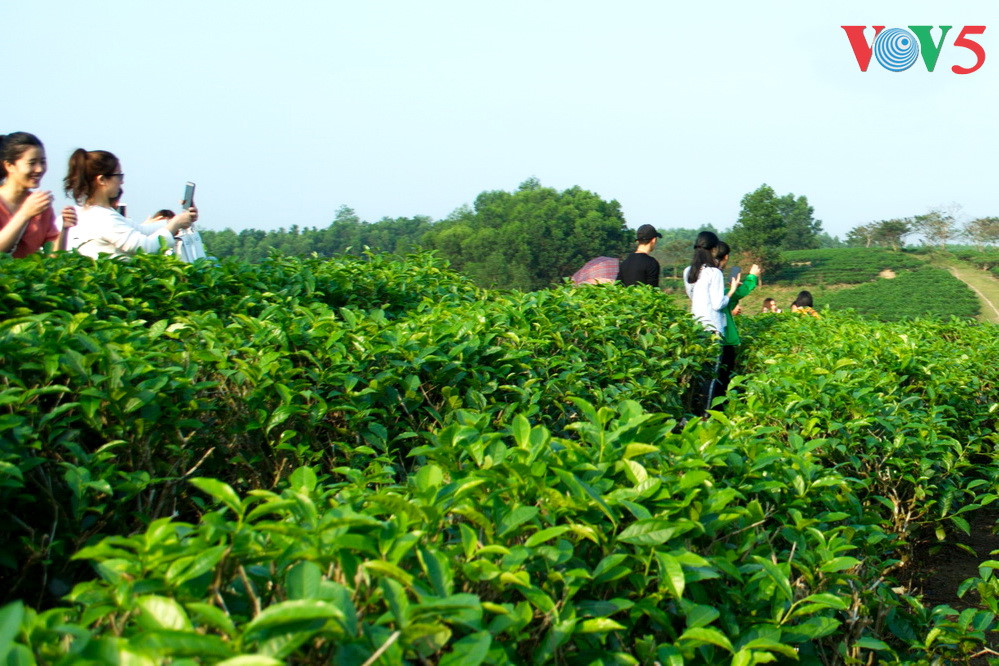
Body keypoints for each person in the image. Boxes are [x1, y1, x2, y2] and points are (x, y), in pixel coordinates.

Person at [63, 149, 197, 259]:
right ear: (102, 180)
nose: (122, 181)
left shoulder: (92, 213)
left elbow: (141, 230)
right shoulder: (104, 219)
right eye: (118, 176)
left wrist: (179, 220)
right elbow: (145, 248)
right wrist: (175, 224)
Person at [0, 132, 76, 257]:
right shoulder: (32, 206)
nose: (39, 169)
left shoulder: (41, 205)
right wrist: (25, 213)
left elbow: (53, 256)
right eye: (32, 163)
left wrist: (64, 228)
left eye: (42, 162)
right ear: (9, 165)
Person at [715, 241, 761, 401]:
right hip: (724, 338)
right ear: (725, 257)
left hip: (709, 335)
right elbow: (739, 293)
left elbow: (731, 299)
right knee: (724, 378)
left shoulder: (698, 275)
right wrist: (752, 276)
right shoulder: (715, 277)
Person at [682, 231, 739, 334]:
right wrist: (731, 291)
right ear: (714, 249)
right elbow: (717, 304)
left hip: (696, 325)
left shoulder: (688, 271)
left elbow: (693, 296)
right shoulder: (714, 272)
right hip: (712, 327)